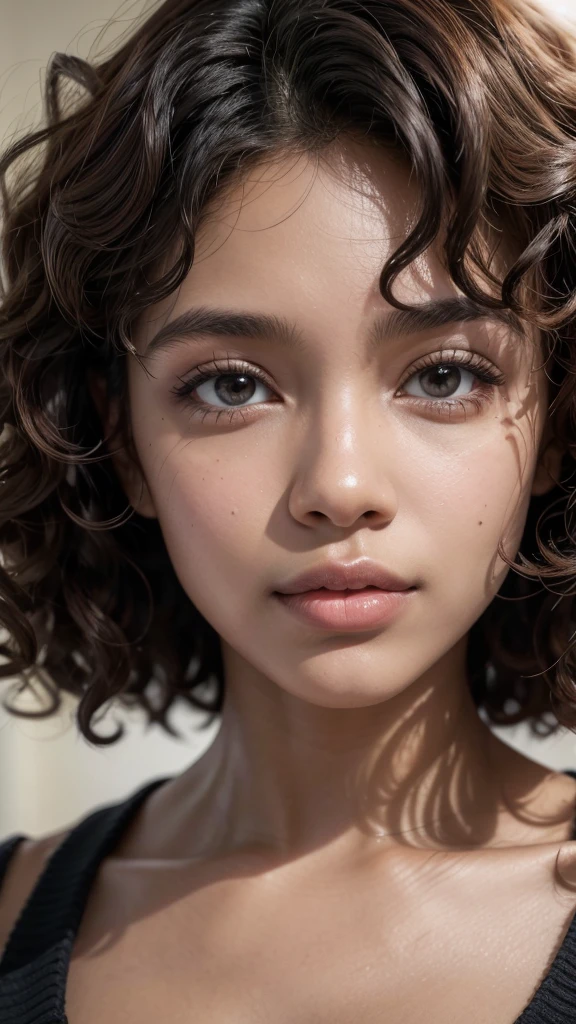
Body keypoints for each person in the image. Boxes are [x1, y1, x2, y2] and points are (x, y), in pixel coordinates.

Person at [2, 0, 576, 1019]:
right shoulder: (13, 926)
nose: (339, 486)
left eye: (444, 374)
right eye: (231, 386)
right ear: (121, 438)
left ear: (557, 423)